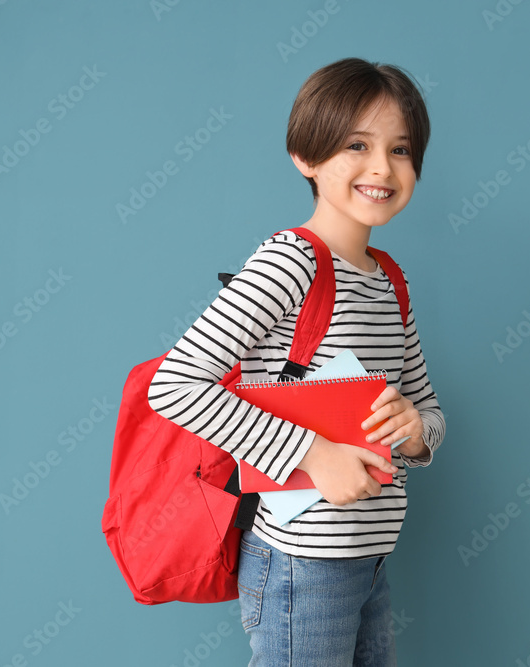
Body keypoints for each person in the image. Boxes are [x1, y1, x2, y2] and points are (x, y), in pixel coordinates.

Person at [146, 57, 445, 666]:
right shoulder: (292, 262)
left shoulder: (390, 279)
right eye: (357, 144)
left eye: (402, 149)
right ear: (306, 157)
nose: (382, 167)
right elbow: (175, 385)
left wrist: (417, 434)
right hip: (301, 568)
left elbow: (428, 408)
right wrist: (314, 455)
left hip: (370, 559)